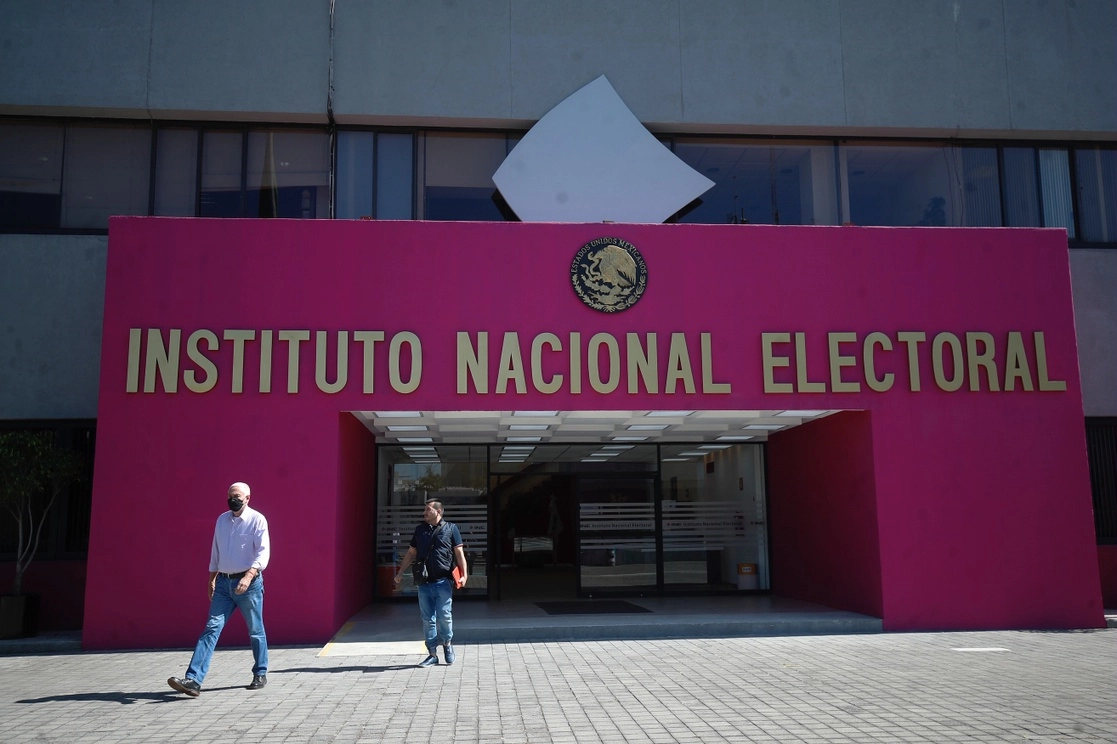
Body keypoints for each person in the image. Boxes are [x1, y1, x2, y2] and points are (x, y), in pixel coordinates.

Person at [168, 481, 271, 697]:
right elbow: (216, 551)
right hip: (224, 584)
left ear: (248, 498)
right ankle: (193, 680)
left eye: (237, 496)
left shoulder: (257, 520)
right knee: (211, 628)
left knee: (255, 630)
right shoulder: (222, 521)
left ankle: (260, 672)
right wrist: (211, 579)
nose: (233, 499)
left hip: (248, 585)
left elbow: (263, 553)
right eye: (230, 495)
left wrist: (249, 575)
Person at [394, 499, 468, 667]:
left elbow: (459, 554)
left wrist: (464, 575)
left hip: (443, 582)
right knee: (428, 619)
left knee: (445, 616)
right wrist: (400, 572)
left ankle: (447, 644)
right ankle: (432, 654)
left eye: (427, 510)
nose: (424, 513)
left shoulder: (451, 529)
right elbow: (411, 552)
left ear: (438, 511)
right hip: (424, 583)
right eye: (424, 510)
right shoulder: (420, 530)